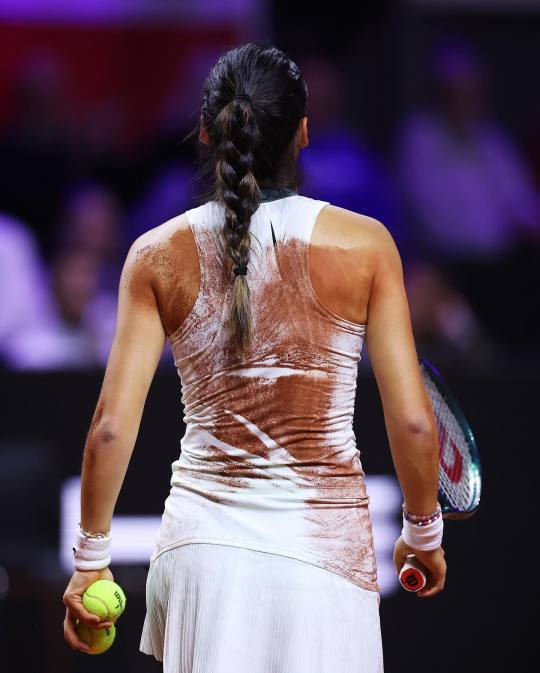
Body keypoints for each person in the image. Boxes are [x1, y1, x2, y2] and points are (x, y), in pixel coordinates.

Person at [62, 43, 446, 673]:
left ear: (207, 132)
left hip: (200, 560)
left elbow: (109, 427)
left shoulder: (155, 255)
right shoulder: (367, 246)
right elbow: (412, 422)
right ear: (304, 130)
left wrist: (90, 563)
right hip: (324, 562)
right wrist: (423, 533)